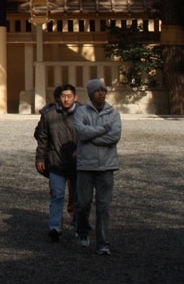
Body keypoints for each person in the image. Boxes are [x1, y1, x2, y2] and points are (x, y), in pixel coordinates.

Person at [75, 77, 122, 255]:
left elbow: (114, 136)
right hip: (86, 165)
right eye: (97, 91)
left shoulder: (113, 113)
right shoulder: (81, 112)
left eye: (103, 90)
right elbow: (81, 132)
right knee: (83, 203)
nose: (101, 94)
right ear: (90, 93)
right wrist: (103, 129)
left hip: (107, 165)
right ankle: (82, 231)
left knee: (103, 207)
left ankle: (103, 242)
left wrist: (92, 136)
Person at [35, 83, 80, 242]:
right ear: (59, 98)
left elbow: (89, 136)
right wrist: (40, 157)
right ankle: (55, 227)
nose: (66, 99)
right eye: (63, 96)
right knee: (57, 195)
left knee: (78, 196)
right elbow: (43, 138)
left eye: (69, 96)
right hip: (56, 161)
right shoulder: (50, 115)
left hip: (78, 163)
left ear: (75, 97)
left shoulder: (83, 114)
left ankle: (79, 226)